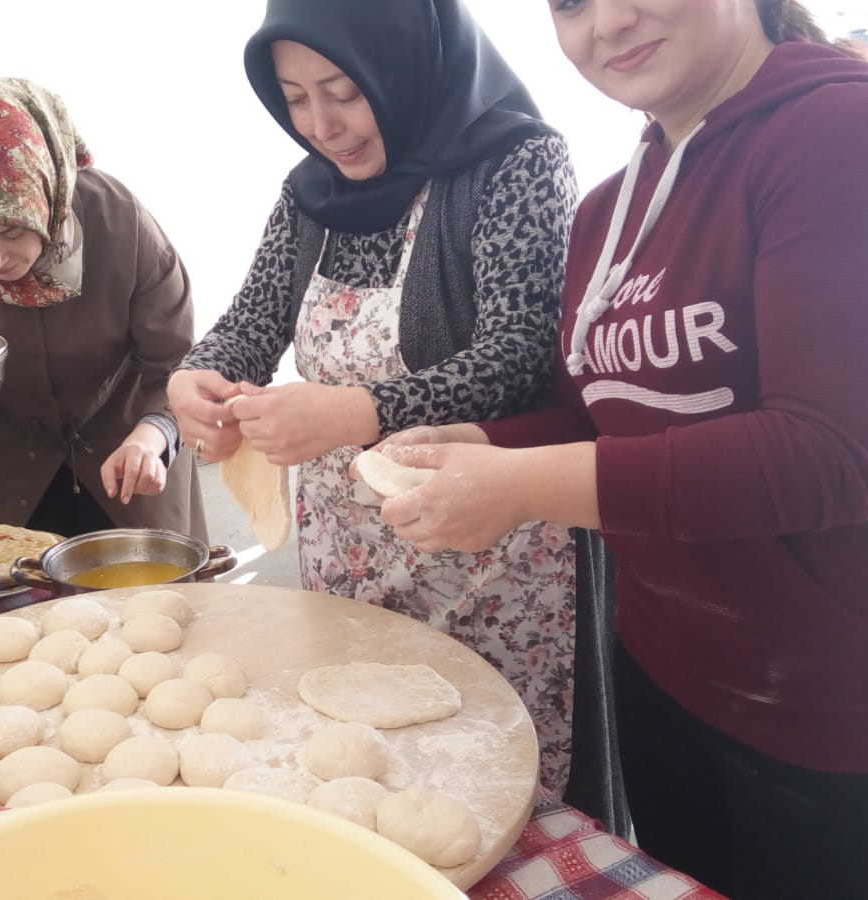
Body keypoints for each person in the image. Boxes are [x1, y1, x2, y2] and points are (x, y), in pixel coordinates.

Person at [371, 1, 868, 895]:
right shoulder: (610, 210)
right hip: (671, 684)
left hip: (862, 717)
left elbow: (829, 456)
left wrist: (518, 485)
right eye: (569, 2)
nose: (609, 20)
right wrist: (475, 443)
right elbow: (597, 417)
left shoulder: (856, 132)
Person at [168, 0, 582, 791]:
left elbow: (521, 358)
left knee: (482, 781)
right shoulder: (310, 193)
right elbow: (249, 324)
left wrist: (359, 412)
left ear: (404, 65)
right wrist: (194, 379)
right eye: (295, 99)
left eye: (344, 91)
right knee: (362, 772)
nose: (322, 125)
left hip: (485, 550)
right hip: (347, 552)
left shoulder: (516, 163)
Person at [0, 79, 205, 540]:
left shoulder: (118, 221)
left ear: (46, 196)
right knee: (10, 580)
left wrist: (155, 432)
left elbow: (179, 363)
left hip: (127, 453)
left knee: (151, 580)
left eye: (11, 233)